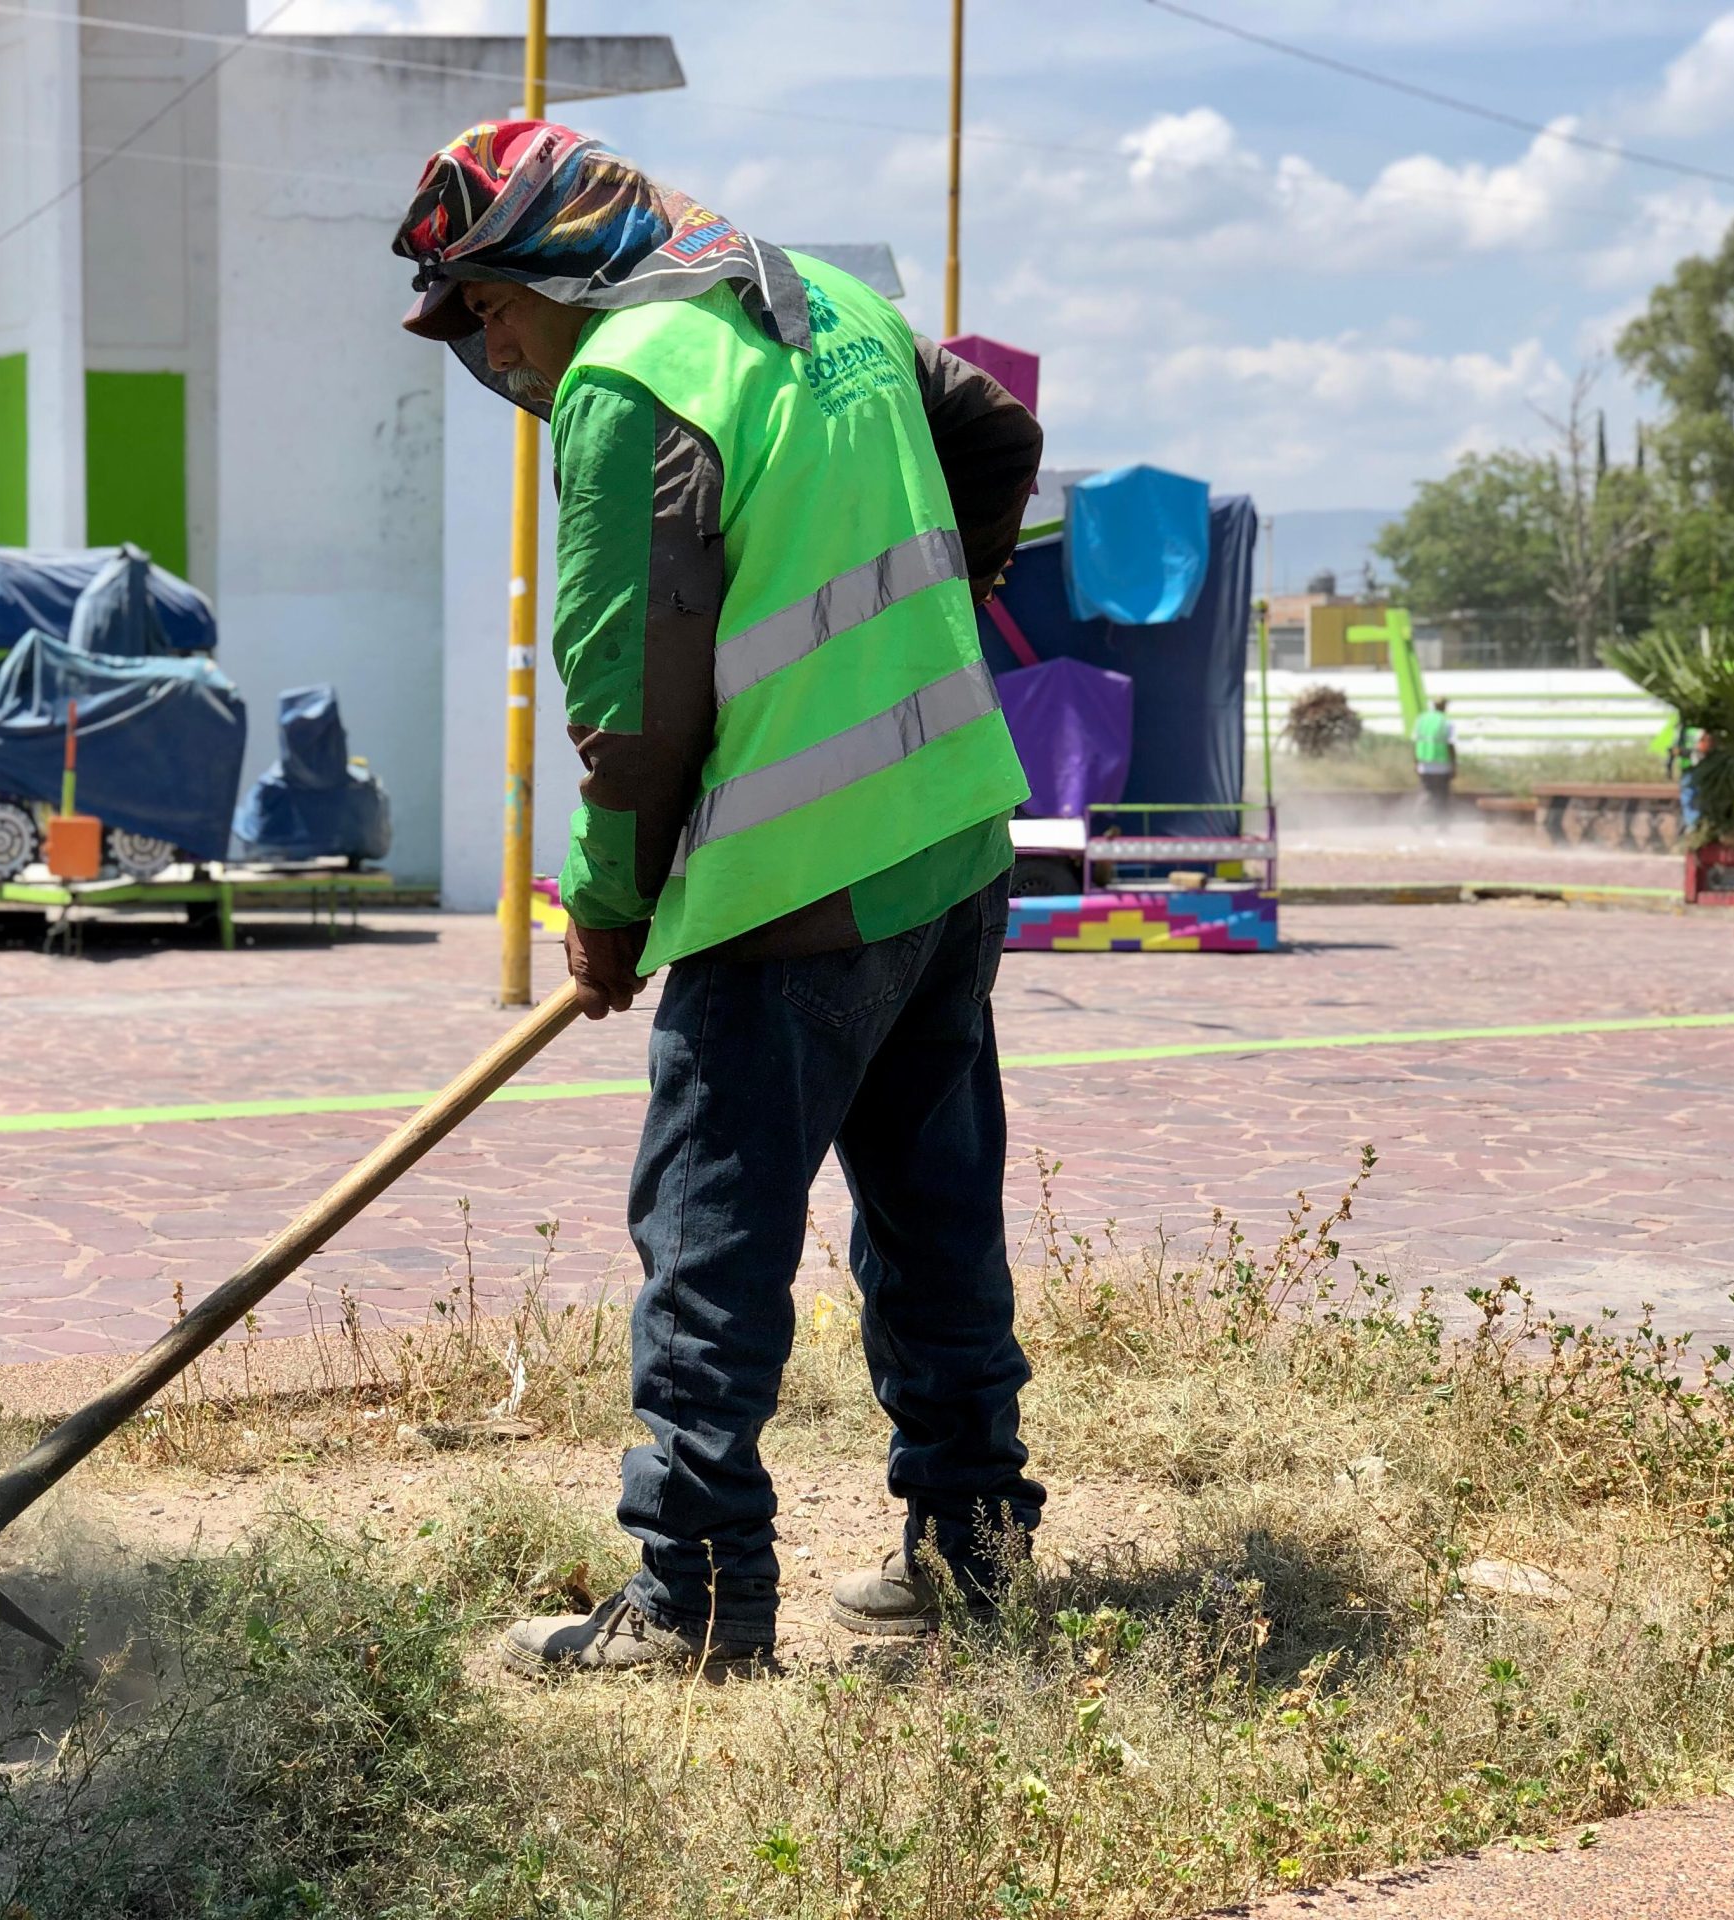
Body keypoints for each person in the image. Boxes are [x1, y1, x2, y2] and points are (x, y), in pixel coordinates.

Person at [393, 121, 1047, 1677]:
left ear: (557, 256)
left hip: (792, 889)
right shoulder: (828, 303)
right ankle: (976, 1555)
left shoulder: (635, 381)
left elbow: (629, 698)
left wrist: (606, 908)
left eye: (486, 304)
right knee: (935, 1214)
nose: (490, 343)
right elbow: (999, 436)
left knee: (709, 1240)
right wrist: (943, 618)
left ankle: (694, 1601)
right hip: (950, 839)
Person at [1414, 695, 1457, 817]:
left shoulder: (1422, 720)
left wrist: (1415, 762)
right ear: (1444, 706)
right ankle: (1442, 824)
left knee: (1427, 791)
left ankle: (1416, 814)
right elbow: (1450, 745)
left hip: (1424, 764)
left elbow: (1416, 742)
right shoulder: (1446, 722)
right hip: (1442, 764)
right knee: (1443, 794)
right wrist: (1454, 765)